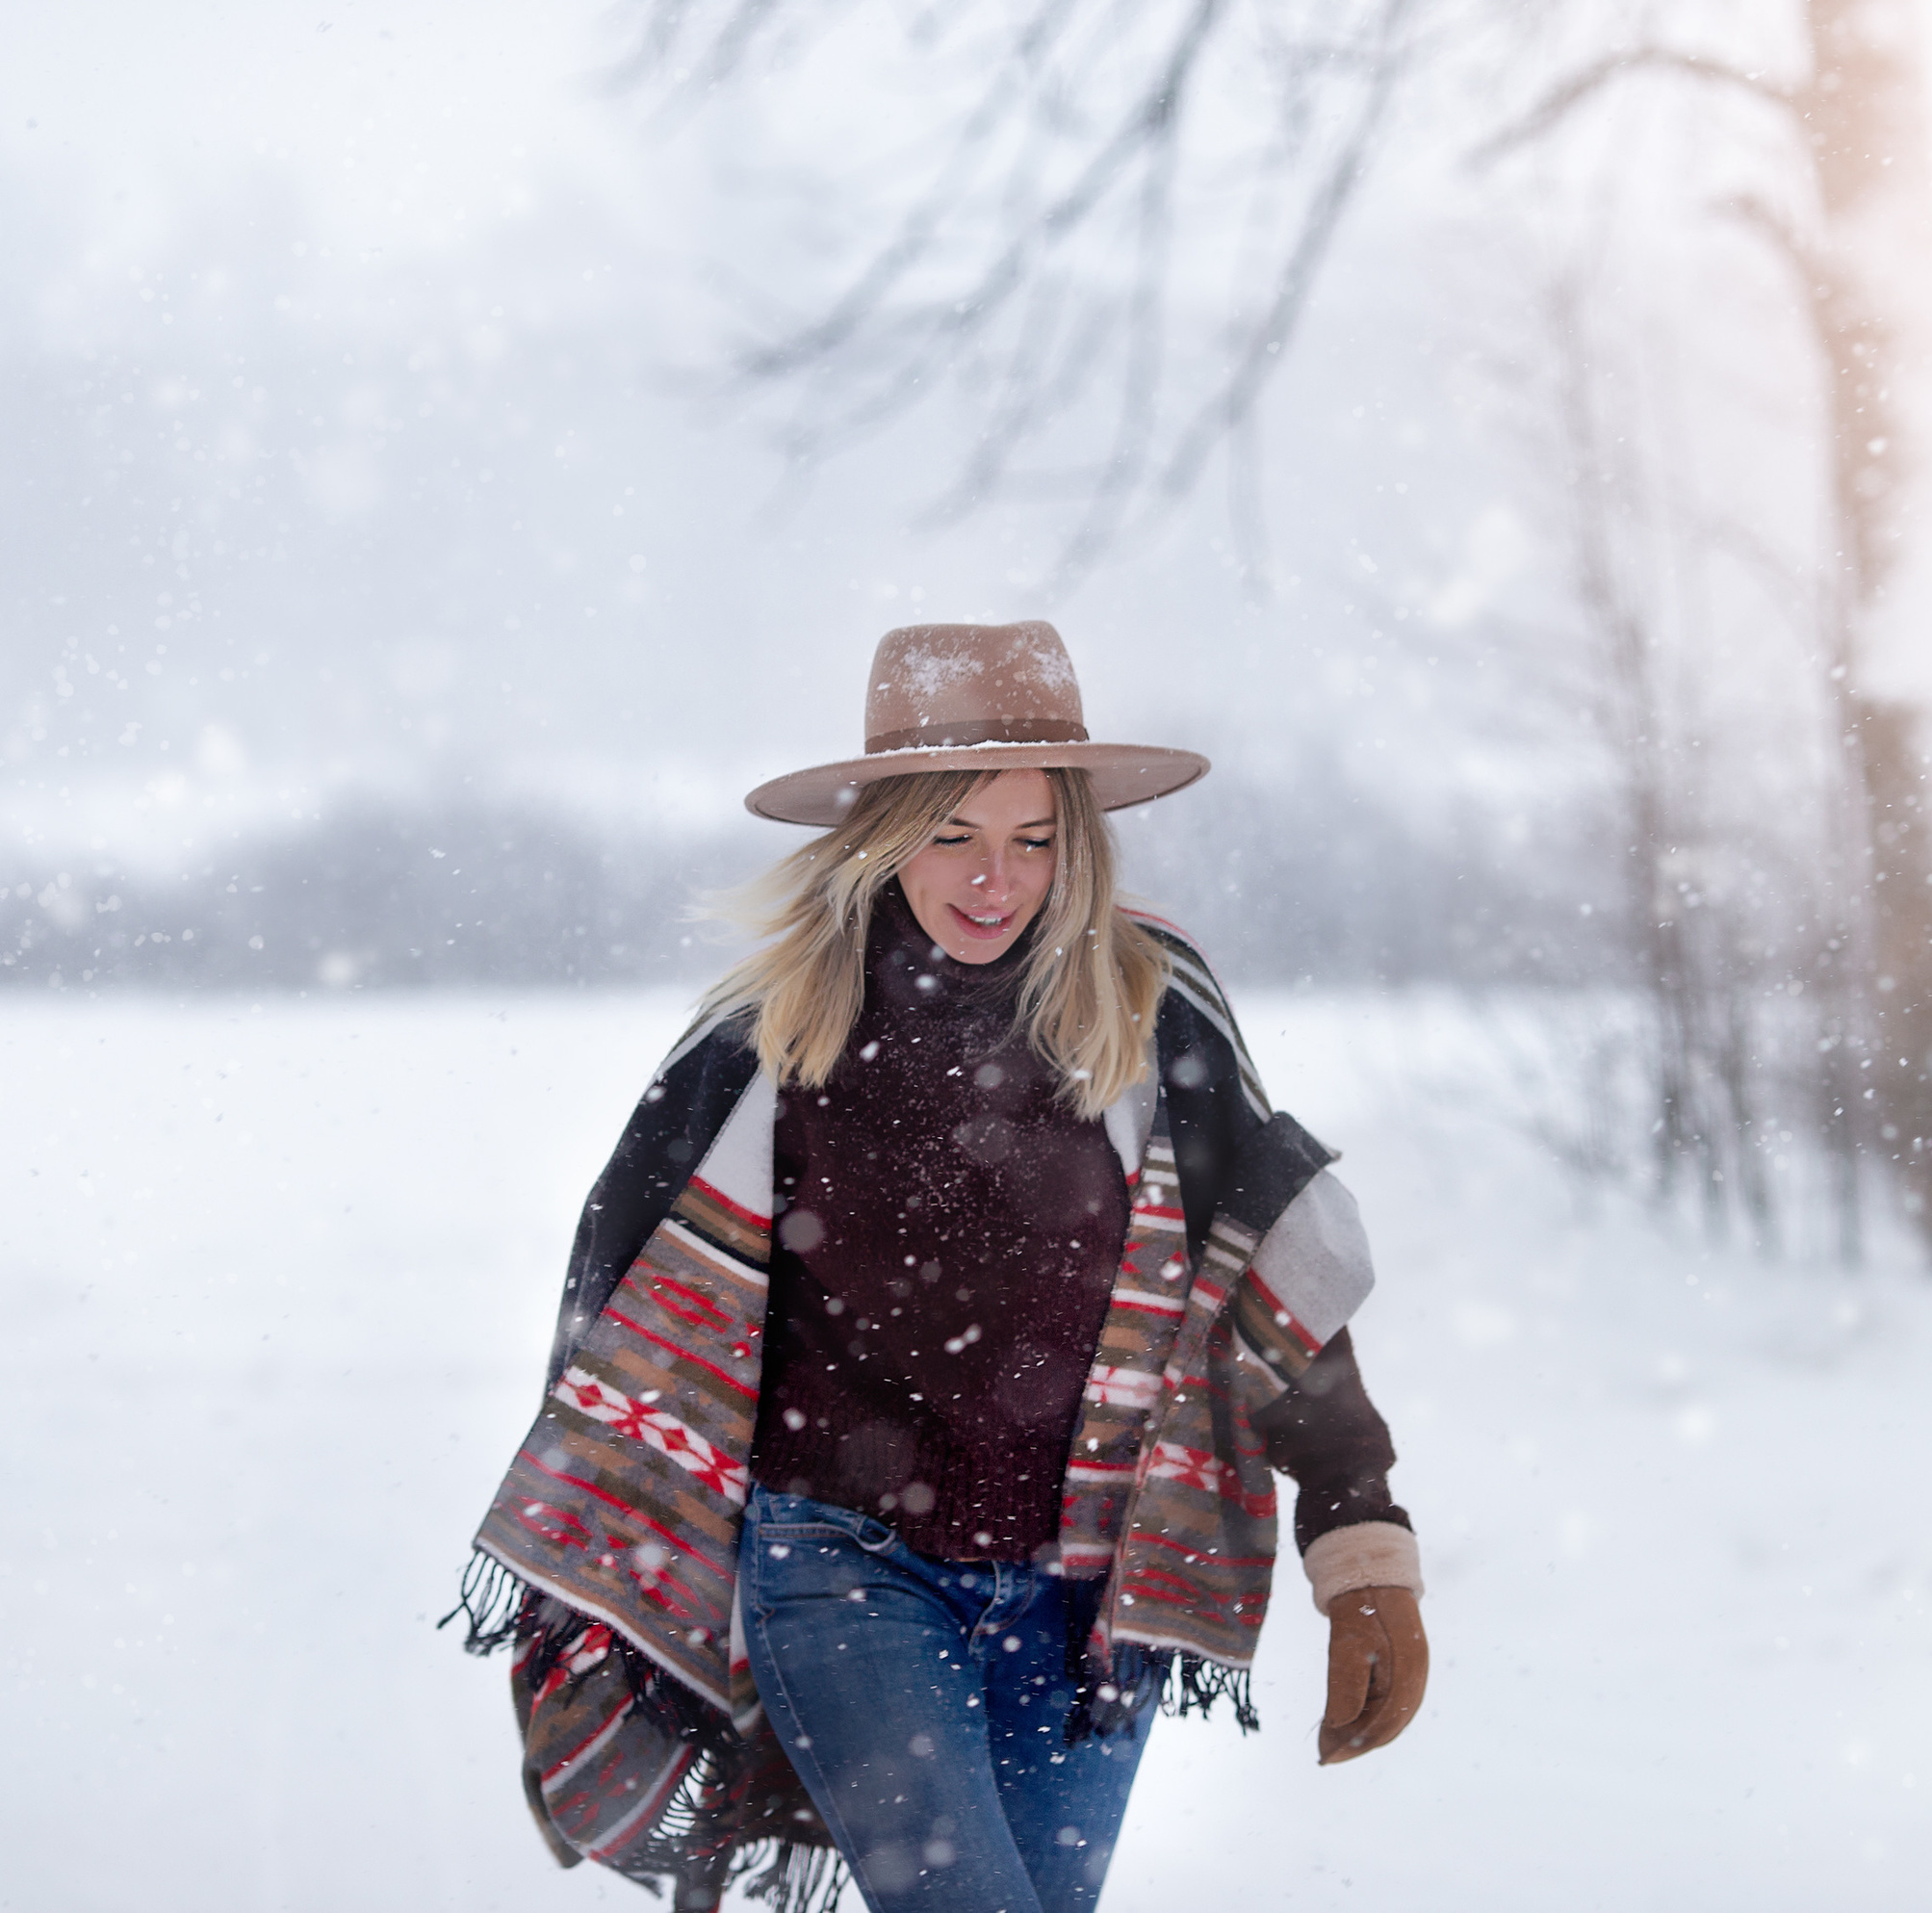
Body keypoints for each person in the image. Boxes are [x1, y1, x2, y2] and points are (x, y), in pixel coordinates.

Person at [458, 621, 1426, 1913]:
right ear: (883, 834)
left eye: (1035, 839)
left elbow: (1265, 1273)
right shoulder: (774, 1028)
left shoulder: (1150, 1001)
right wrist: (584, 1615)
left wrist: (1360, 1536)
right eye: (953, 834)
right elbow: (621, 1311)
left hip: (1082, 1589)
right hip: (842, 1569)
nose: (994, 880)